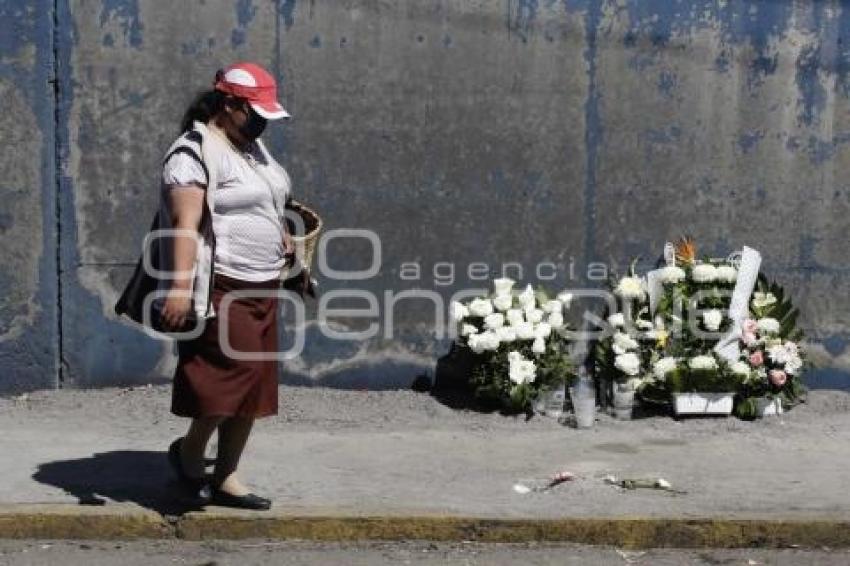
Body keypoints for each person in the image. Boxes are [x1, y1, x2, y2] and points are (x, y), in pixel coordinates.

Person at [159, 62, 296, 510]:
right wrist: (179, 289)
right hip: (223, 286)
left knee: (254, 385)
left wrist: (282, 233)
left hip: (264, 284)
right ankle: (190, 452)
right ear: (230, 105)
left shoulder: (253, 148)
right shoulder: (193, 152)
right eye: (255, 114)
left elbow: (268, 198)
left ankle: (227, 474)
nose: (261, 125)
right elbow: (184, 225)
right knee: (225, 381)